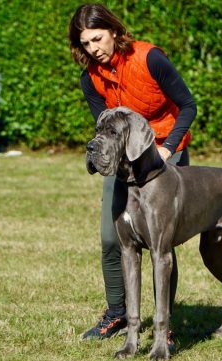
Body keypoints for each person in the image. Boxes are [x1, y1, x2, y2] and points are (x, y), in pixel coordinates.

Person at [68, 4, 197, 339]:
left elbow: (188, 105)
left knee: (160, 241)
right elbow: (104, 127)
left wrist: (168, 148)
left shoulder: (150, 58)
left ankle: (163, 325)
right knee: (112, 238)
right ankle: (117, 313)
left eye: (97, 38)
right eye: (86, 44)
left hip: (165, 154)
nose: (93, 48)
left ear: (113, 31)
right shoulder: (90, 78)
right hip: (124, 163)